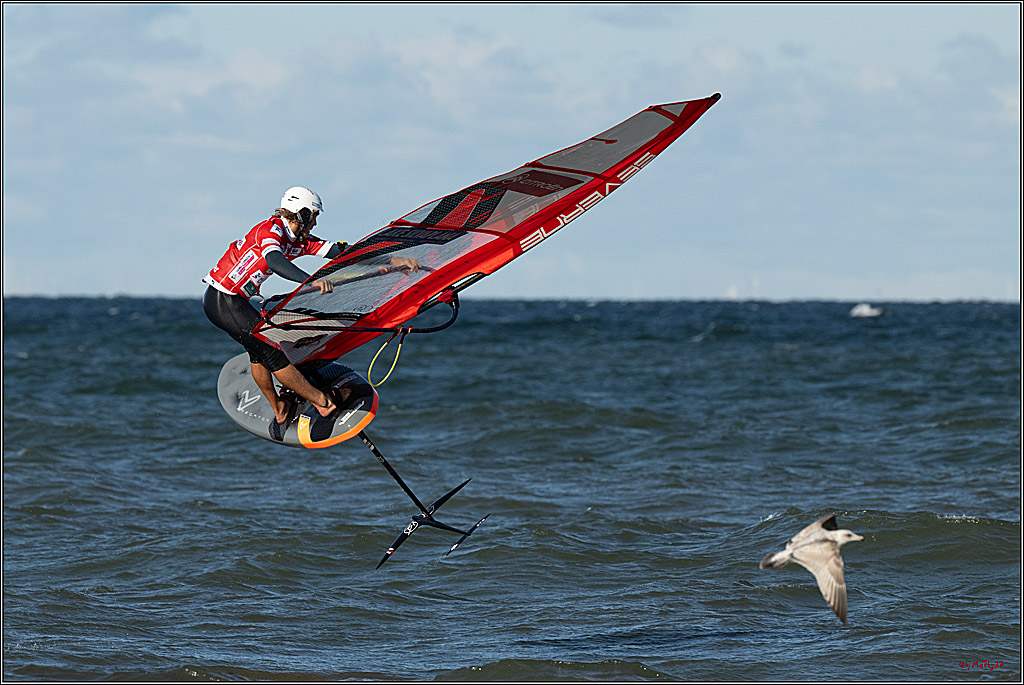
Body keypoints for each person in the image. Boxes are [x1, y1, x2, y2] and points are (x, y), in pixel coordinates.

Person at [202, 186, 350, 428]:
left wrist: (388, 259)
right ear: (301, 214)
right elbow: (275, 260)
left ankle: (280, 409)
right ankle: (324, 404)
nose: (314, 224)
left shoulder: (298, 241)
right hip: (223, 299)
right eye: (313, 217)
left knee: (258, 353)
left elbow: (339, 251)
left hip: (234, 302)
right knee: (272, 353)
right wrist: (309, 281)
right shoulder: (270, 230)